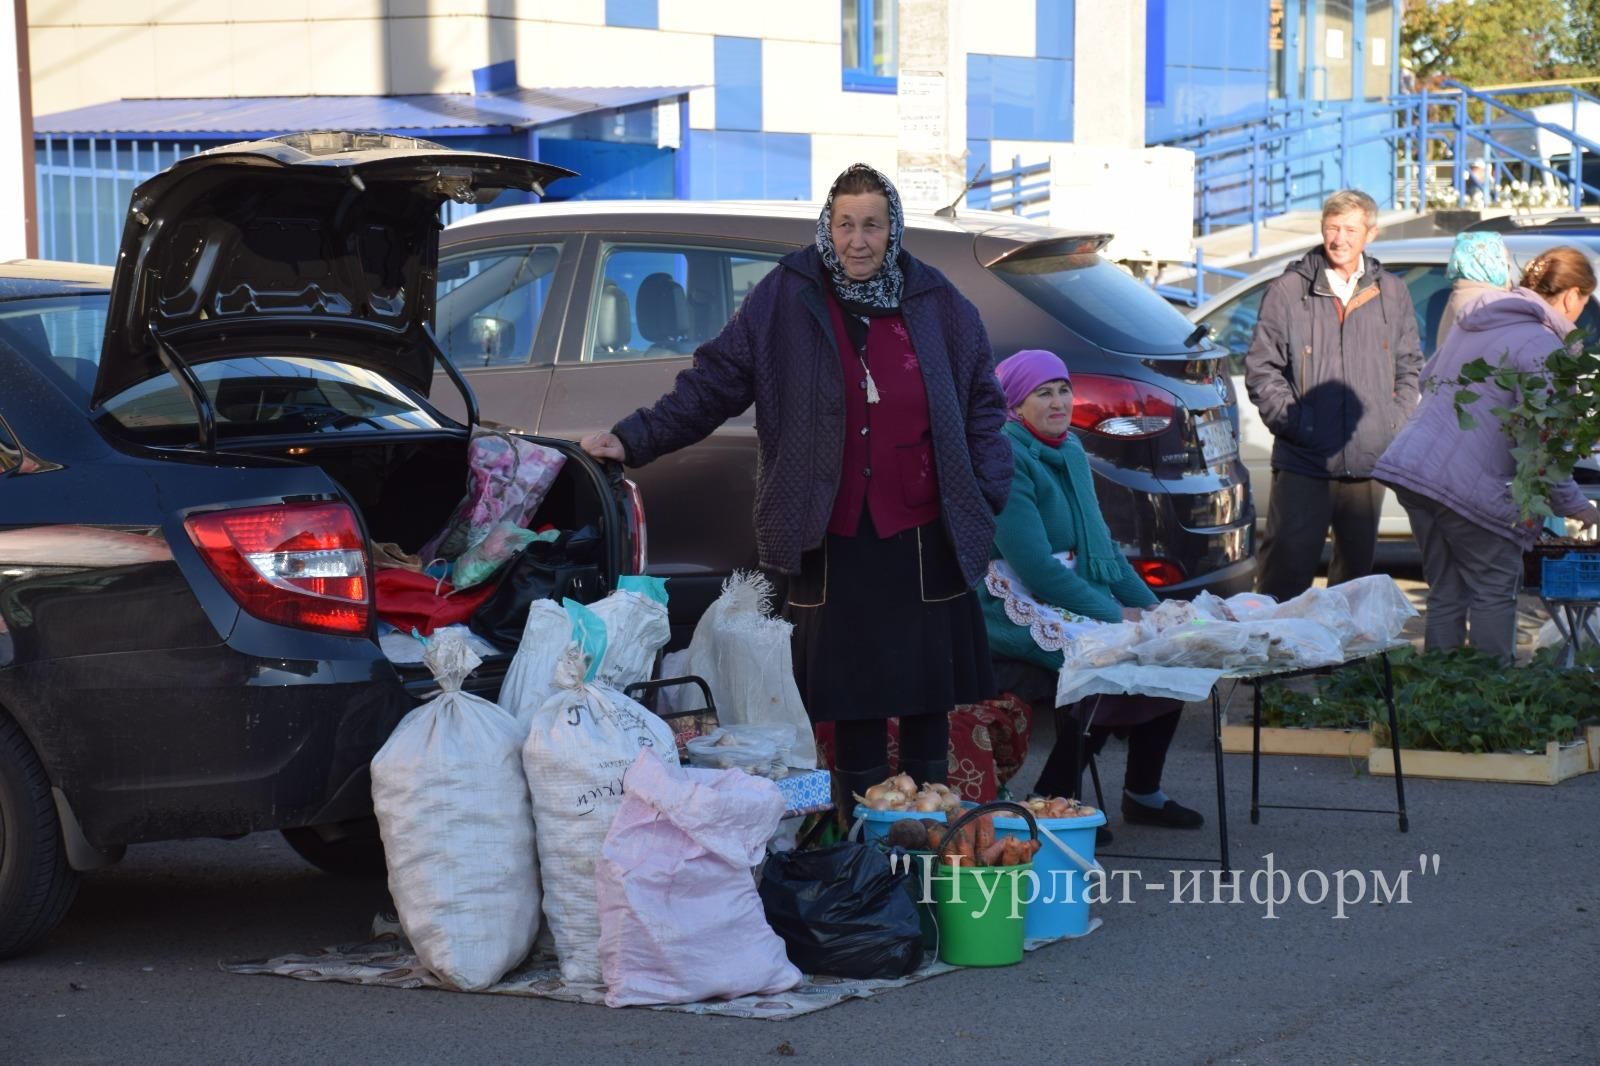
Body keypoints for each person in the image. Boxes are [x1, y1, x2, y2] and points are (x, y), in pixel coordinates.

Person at [579, 163, 1013, 799]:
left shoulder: (938, 302)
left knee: (928, 697)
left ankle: (930, 832)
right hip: (831, 530)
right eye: (844, 224)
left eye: (872, 225)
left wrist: (985, 487)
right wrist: (635, 437)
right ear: (826, 228)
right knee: (854, 700)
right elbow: (716, 381)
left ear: (893, 231)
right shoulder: (787, 296)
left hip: (924, 530)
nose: (857, 240)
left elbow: (982, 402)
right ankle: (865, 843)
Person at [981, 349, 1202, 840]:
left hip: (1072, 590)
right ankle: (1052, 799)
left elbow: (1102, 550)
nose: (1059, 402)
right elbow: (1035, 568)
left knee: (1172, 646)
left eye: (1063, 389)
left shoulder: (1071, 449)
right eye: (1044, 392)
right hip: (1014, 602)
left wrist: (1153, 607)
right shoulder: (1006, 457)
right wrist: (1114, 615)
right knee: (1107, 661)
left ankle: (1144, 793)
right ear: (1016, 403)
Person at [1375, 247, 1600, 661]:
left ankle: (1441, 693)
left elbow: (1429, 378)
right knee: (1494, 587)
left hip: (1414, 469)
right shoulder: (1541, 344)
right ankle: (1488, 694)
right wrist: (1580, 507)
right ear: (1571, 296)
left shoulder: (1477, 322)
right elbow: (1542, 441)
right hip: (1459, 485)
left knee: (1446, 591)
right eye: (1584, 302)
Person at [1244, 188, 1424, 601]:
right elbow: (1261, 367)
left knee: (1355, 583)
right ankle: (1278, 662)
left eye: (1349, 229)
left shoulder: (1392, 292)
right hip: (1305, 459)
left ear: (1371, 234)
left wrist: (1390, 423)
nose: (1339, 238)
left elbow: (1409, 364)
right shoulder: (1289, 291)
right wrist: (1295, 423)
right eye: (1331, 228)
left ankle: (1346, 666)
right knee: (1284, 575)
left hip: (1367, 460)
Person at [1436, 230, 1514, 350]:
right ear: (1490, 263)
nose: (1509, 270)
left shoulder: (1460, 295)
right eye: (1504, 261)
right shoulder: (1488, 304)